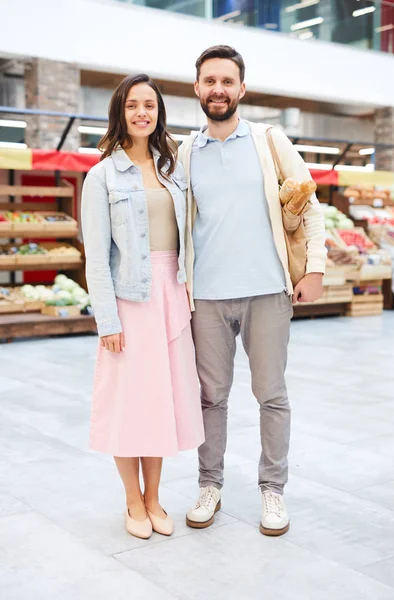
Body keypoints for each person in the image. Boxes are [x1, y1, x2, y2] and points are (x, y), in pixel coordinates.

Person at [179, 46, 326, 536]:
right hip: (208, 296)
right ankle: (210, 484)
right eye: (209, 80)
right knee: (210, 397)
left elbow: (309, 204)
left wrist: (315, 270)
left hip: (267, 290)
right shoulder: (184, 153)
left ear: (242, 89)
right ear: (196, 88)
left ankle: (273, 491)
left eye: (227, 81)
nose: (218, 89)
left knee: (271, 395)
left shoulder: (268, 139)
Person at [81, 74, 204, 540]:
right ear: (120, 112)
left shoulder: (172, 170)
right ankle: (132, 501)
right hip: (129, 298)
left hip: (172, 292)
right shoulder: (101, 175)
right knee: (128, 403)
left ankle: (155, 498)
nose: (141, 113)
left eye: (149, 105)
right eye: (132, 105)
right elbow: (96, 256)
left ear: (159, 113)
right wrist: (106, 320)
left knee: (162, 400)